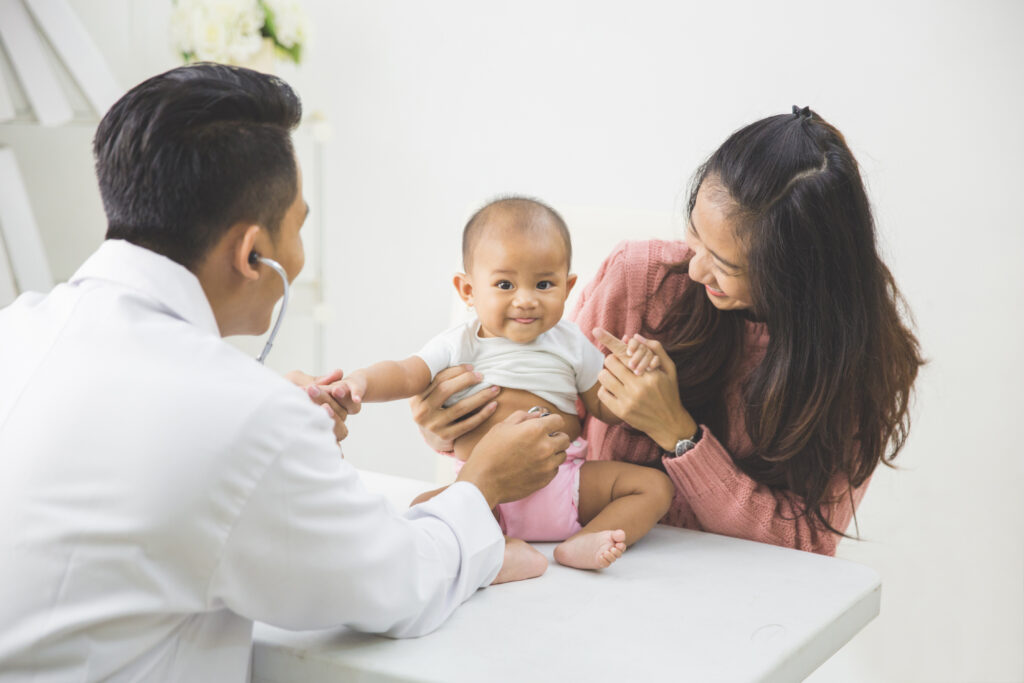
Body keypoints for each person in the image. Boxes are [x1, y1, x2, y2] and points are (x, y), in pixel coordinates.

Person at [0, 64, 570, 681]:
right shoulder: (244, 418)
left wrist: (267, 417)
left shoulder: (18, 329)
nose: (298, 254)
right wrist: (481, 484)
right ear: (253, 255)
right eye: (298, 225)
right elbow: (401, 587)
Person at [410, 107, 924, 557]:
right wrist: (451, 429)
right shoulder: (643, 278)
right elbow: (547, 405)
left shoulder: (860, 364)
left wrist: (678, 435)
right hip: (589, 579)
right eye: (694, 234)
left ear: (798, 275)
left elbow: (808, 543)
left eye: (725, 265)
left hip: (739, 604)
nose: (695, 270)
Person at [330, 198, 674, 575]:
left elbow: (605, 408)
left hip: (566, 480)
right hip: (487, 491)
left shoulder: (572, 342)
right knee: (420, 510)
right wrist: (359, 381)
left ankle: (586, 539)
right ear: (467, 290)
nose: (525, 299)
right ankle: (502, 550)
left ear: (568, 286)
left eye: (544, 284)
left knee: (655, 487)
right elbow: (406, 373)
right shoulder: (460, 342)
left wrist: (634, 375)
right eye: (505, 284)